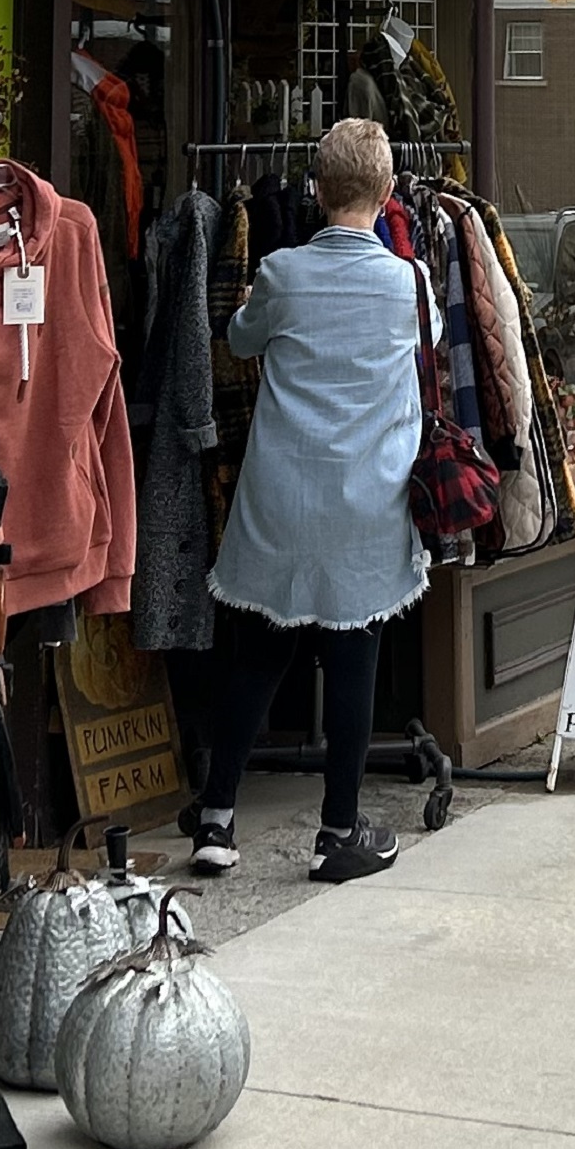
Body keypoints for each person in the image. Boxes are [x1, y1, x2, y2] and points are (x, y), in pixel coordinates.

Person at [182, 117, 424, 885]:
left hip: (281, 498)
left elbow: (241, 338)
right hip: (367, 504)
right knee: (354, 665)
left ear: (316, 191)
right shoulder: (405, 282)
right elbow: (430, 337)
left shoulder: (283, 272)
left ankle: (217, 821)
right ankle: (338, 833)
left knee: (257, 659)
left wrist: (260, 303)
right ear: (386, 195)